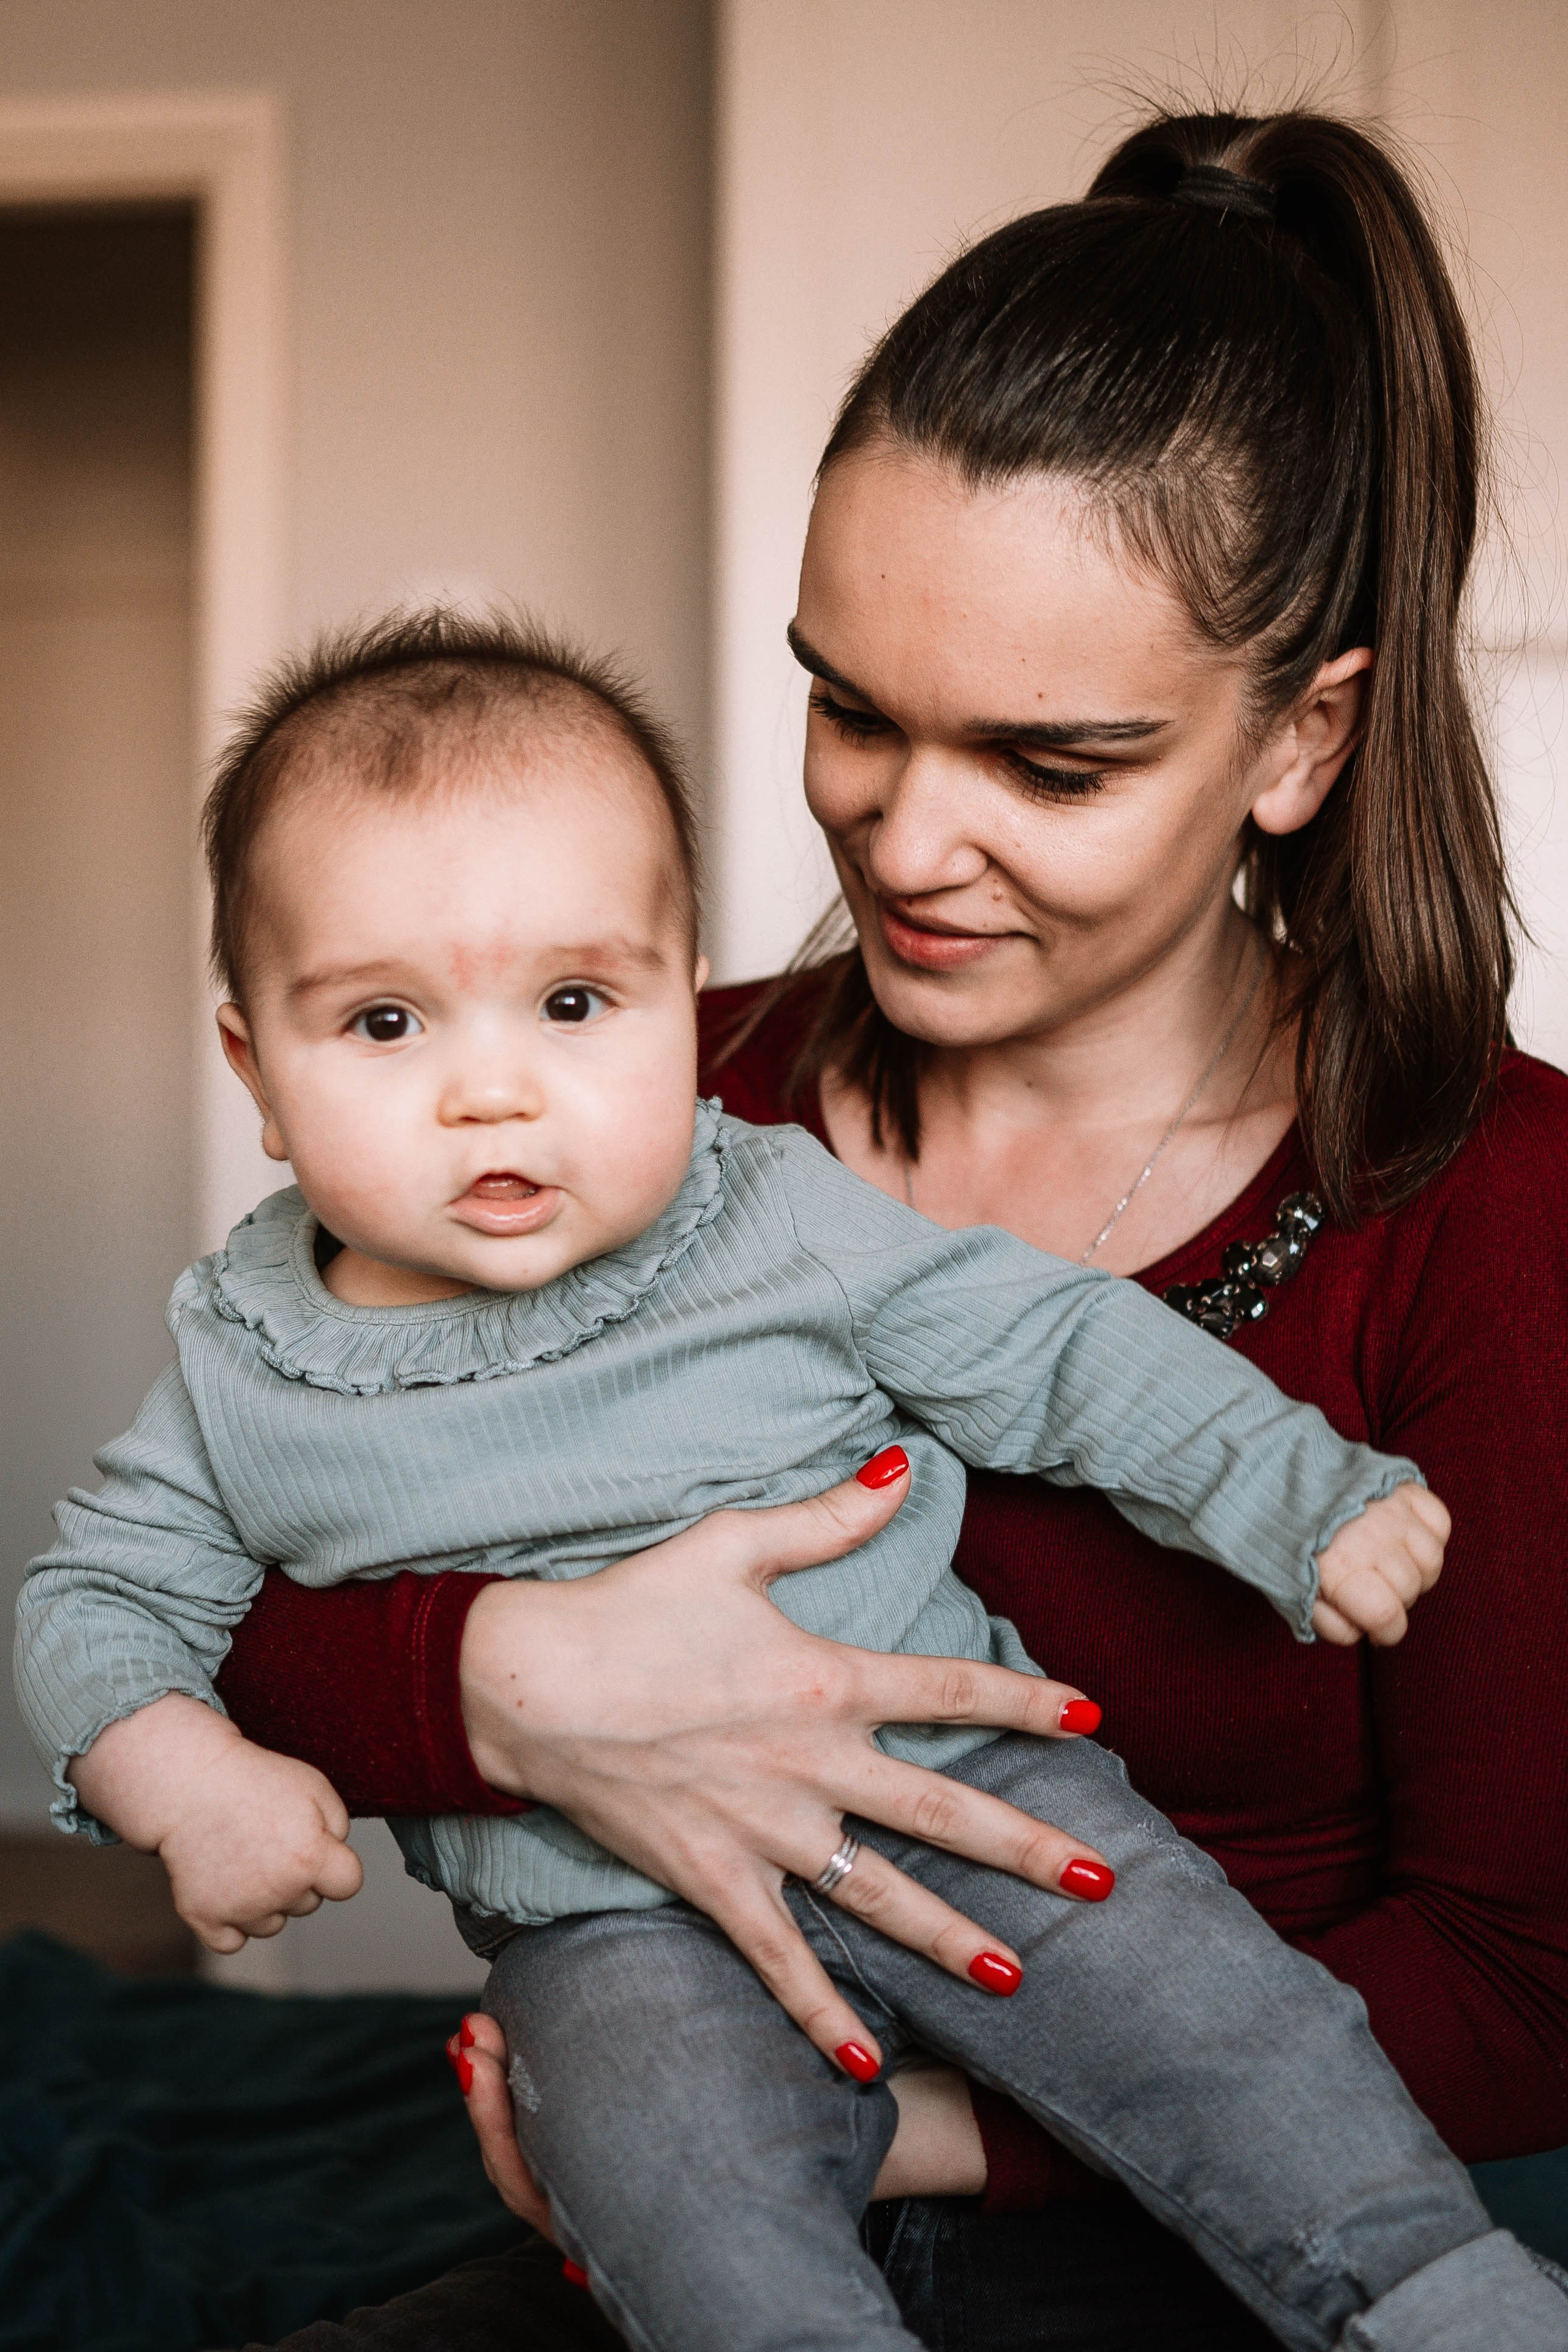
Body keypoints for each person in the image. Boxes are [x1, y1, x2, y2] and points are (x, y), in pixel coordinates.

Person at [177, 101, 1567, 2352]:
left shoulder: (1495, 1207)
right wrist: (507, 1694)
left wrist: (889, 2119)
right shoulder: (638, 1093)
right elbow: (232, 1553)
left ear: (1302, 741)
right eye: (849, 709)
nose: (904, 840)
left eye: (1050, 762)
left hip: (1240, 2212)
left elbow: (1527, 1982)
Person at [24, 605, 1532, 2352]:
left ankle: (1444, 2299)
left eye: (577, 1001)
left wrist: (1294, 1485)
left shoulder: (770, 1210)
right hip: (611, 1938)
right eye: (381, 1025)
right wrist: (183, 1769)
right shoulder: (241, 1362)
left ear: (684, 1001)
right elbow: (98, 1603)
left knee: (1232, 2035)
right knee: (676, 2192)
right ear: (255, 1076)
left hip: (971, 1799)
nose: (493, 1093)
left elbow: (1040, 1341)